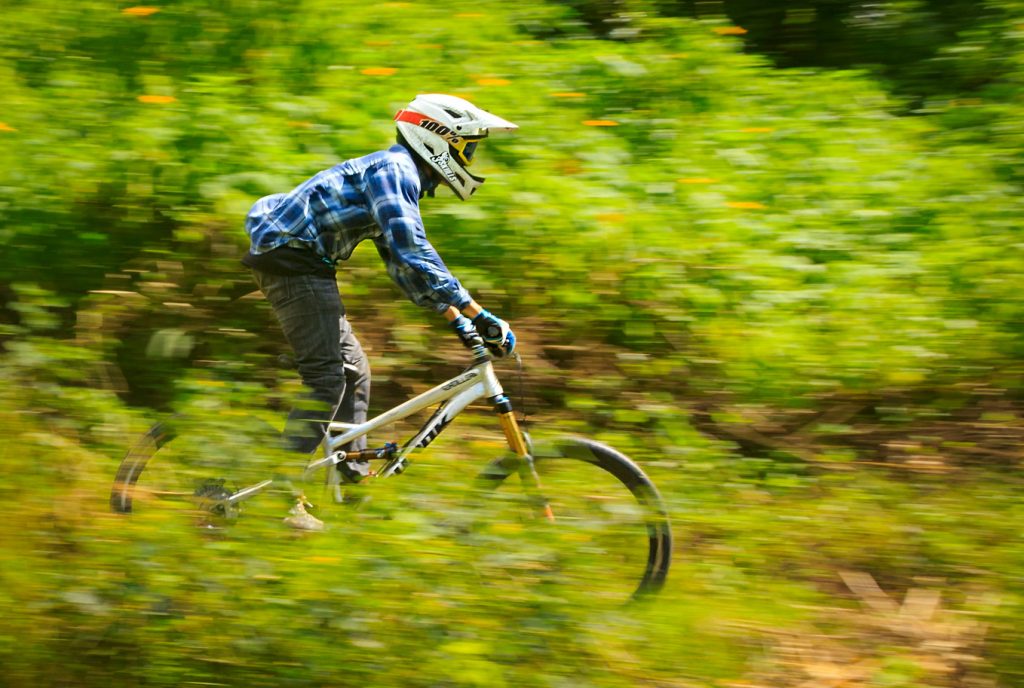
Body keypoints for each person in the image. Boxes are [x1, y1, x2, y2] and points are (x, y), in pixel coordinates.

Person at [242, 94, 518, 530]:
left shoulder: (397, 177)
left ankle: (351, 483)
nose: (469, 157)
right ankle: (280, 497)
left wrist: (461, 322)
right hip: (292, 260)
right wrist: (479, 312)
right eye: (467, 147)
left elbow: (404, 267)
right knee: (328, 376)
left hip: (302, 261)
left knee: (355, 370)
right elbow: (413, 249)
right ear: (438, 139)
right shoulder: (395, 171)